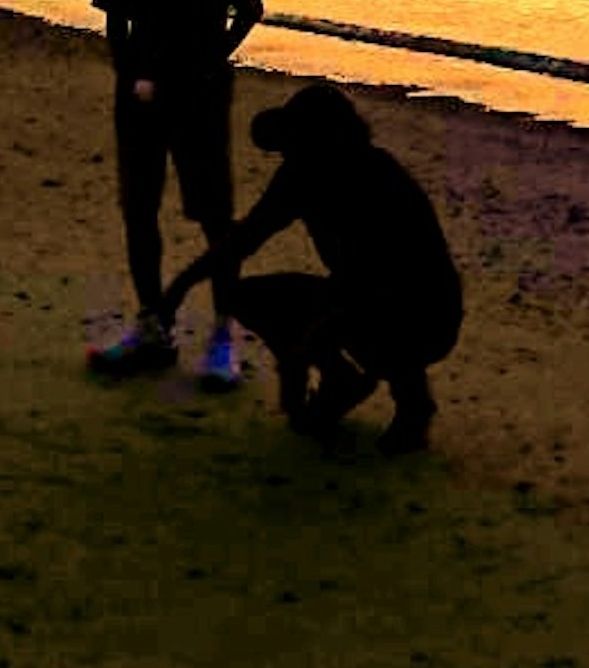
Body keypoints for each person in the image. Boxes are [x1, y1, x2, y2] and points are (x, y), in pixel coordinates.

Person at [156, 83, 462, 452]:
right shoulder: (298, 175)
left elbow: (396, 280)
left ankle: (414, 407)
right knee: (247, 297)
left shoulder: (378, 177)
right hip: (352, 293)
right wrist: (181, 285)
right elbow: (247, 237)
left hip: (424, 308)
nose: (288, 152)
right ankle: (340, 380)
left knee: (382, 324)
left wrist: (311, 340)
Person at [87, 0, 266, 384]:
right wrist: (130, 74)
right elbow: (115, 16)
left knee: (214, 214)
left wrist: (211, 60)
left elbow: (250, 7)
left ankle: (223, 336)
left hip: (202, 92)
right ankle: (151, 327)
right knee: (139, 209)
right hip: (141, 92)